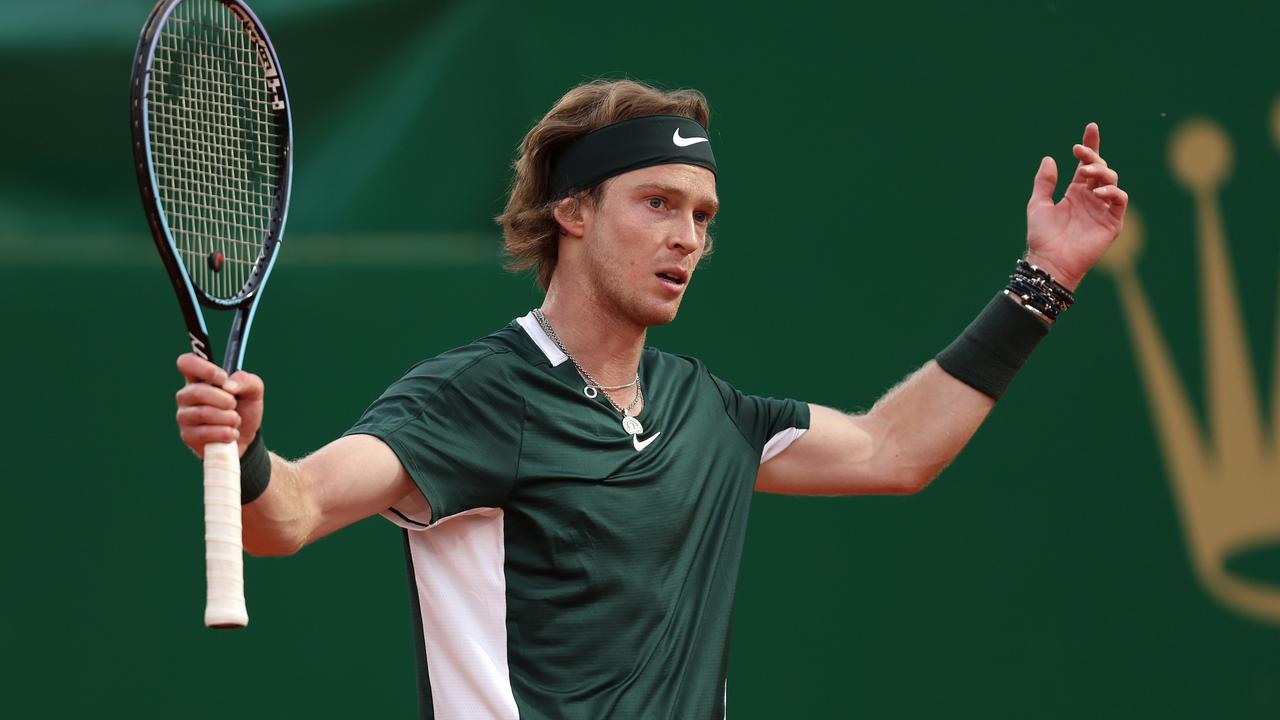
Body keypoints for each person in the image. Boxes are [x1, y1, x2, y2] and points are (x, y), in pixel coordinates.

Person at [174, 79, 1127, 719]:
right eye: (658, 204)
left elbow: (894, 450)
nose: (687, 238)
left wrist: (1041, 281)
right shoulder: (474, 396)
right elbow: (290, 515)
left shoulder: (706, 409)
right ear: (573, 211)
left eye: (703, 217)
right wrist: (249, 455)